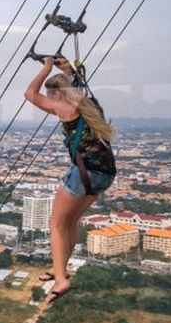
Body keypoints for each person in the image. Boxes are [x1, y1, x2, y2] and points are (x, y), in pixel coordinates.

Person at [24, 57, 117, 303]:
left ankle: (61, 278)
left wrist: (45, 68)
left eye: (51, 95)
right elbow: (81, 84)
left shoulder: (65, 108)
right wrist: (66, 68)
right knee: (71, 221)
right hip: (104, 174)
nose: (50, 100)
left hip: (82, 174)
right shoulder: (90, 104)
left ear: (57, 94)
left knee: (55, 224)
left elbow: (30, 94)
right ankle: (59, 266)